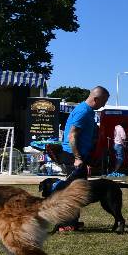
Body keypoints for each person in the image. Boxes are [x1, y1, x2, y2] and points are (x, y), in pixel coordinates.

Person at [52, 86, 110, 231]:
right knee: (73, 192)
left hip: (80, 155)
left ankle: (72, 222)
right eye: (104, 101)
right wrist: (77, 158)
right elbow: (72, 136)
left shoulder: (88, 111)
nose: (104, 104)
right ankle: (66, 224)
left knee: (78, 191)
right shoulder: (83, 111)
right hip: (73, 156)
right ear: (96, 99)